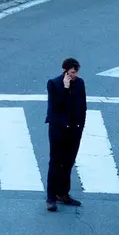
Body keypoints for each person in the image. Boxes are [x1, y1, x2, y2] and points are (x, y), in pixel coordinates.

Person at [45, 58, 86, 212]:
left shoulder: (80, 83)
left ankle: (63, 193)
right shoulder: (54, 84)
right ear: (65, 71)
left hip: (74, 130)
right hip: (58, 129)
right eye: (72, 72)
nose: (75, 75)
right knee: (55, 163)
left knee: (68, 162)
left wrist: (80, 126)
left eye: (76, 72)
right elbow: (57, 105)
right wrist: (65, 88)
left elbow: (83, 106)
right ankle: (51, 197)